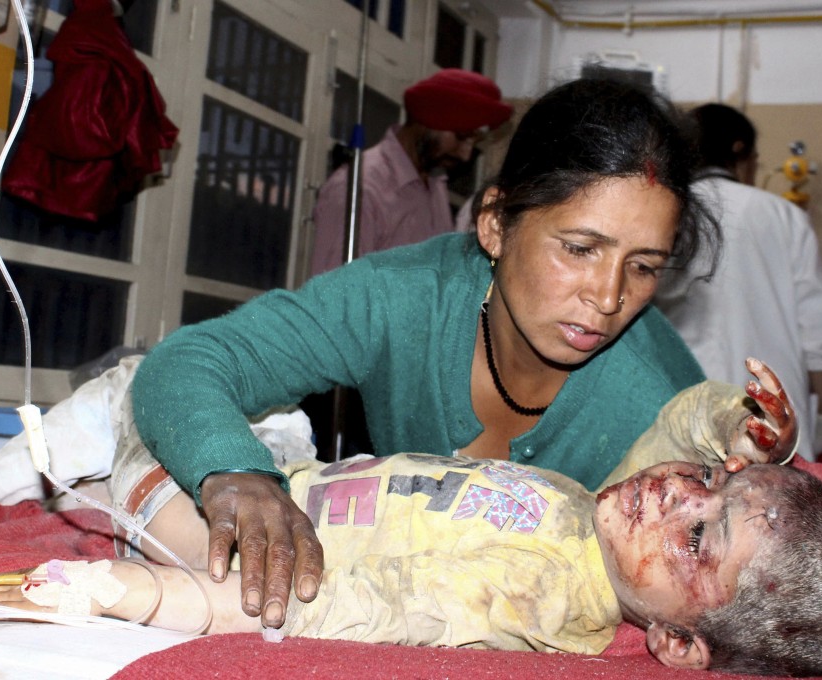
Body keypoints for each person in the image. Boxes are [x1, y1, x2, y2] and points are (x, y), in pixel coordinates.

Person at [127, 77, 722, 629]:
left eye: (644, 267)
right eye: (579, 248)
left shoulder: (658, 397)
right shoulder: (401, 298)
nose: (609, 295)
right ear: (494, 224)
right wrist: (234, 470)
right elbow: (192, 361)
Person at [0, 362, 822, 676]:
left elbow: (343, 607)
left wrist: (133, 589)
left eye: (698, 535)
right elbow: (675, 430)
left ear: (677, 644)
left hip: (230, 541)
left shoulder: (537, 599)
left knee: (139, 398)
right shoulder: (606, 523)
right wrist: (735, 426)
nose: (681, 492)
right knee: (259, 417)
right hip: (289, 480)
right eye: (712, 482)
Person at [653, 103, 822, 461]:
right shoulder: (782, 215)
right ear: (740, 151)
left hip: (679, 420)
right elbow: (819, 330)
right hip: (768, 424)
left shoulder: (664, 211)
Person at [309, 68, 513, 276]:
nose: (465, 155)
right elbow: (334, 295)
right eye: (461, 137)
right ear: (426, 121)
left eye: (474, 143)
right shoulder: (358, 189)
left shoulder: (435, 186)